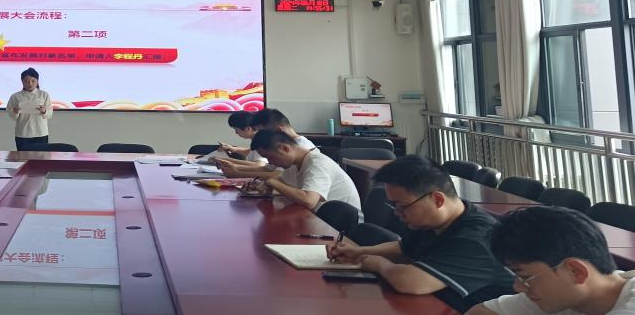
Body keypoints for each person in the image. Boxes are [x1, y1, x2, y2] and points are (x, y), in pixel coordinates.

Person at [328, 155, 514, 312]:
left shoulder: (476, 239)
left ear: (437, 199)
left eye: (402, 206)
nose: (397, 213)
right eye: (393, 206)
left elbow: (411, 282)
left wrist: (380, 265)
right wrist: (358, 252)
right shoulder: (437, 221)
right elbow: (402, 248)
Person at [468, 206, 635, 315]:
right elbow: (480, 311)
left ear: (575, 271)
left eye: (525, 278)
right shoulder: (567, 294)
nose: (518, 287)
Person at [242, 129, 361, 211]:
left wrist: (272, 182)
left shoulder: (317, 162)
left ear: (285, 148)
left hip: (340, 228)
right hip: (318, 219)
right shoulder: (293, 164)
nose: (271, 162)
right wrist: (262, 186)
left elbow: (309, 201)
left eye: (270, 157)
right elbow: (283, 186)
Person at [215, 108, 317, 178]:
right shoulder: (282, 146)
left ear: (278, 130)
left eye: (263, 132)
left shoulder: (301, 148)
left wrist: (238, 173)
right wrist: (234, 167)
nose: (260, 136)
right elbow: (266, 169)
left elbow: (278, 175)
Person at [7, 67, 53, 151]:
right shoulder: (15, 96)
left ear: (37, 81)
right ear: (22, 81)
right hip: (22, 133)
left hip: (40, 132)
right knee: (22, 156)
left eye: (33, 81)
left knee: (41, 157)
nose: (30, 83)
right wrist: (15, 112)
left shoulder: (44, 95)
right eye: (26, 81)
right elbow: (12, 116)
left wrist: (44, 111)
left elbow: (50, 114)